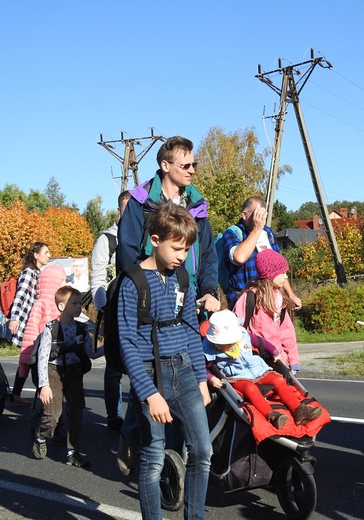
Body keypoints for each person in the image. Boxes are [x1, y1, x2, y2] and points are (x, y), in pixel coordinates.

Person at [117, 203, 211, 519]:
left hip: (183, 369)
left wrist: (201, 378)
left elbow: (189, 330)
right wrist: (150, 394)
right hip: (149, 375)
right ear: (155, 240)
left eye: (186, 249)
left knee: (202, 452)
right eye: (176, 247)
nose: (181, 256)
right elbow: (127, 342)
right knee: (154, 457)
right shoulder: (132, 281)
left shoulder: (181, 278)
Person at [116, 135, 220, 313]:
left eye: (193, 165)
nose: (191, 171)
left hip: (192, 301)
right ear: (165, 166)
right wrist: (148, 291)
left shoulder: (197, 205)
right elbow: (128, 253)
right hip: (151, 300)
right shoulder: (140, 202)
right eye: (185, 166)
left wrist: (210, 292)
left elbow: (208, 254)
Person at [203, 310, 321, 429]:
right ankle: (272, 415)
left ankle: (299, 410)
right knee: (250, 388)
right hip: (236, 376)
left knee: (279, 380)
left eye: (228, 343)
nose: (225, 346)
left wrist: (275, 353)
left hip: (258, 369)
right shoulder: (208, 349)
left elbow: (262, 343)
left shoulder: (244, 335)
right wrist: (211, 378)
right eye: (221, 344)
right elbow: (202, 368)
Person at [32, 286, 103, 468]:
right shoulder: (51, 329)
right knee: (53, 416)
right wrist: (44, 385)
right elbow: (42, 359)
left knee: (76, 413)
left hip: (74, 373)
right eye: (74, 303)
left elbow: (91, 353)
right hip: (53, 372)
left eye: (80, 303)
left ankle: (73, 452)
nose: (79, 306)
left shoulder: (81, 328)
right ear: (62, 307)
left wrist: (110, 347)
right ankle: (41, 436)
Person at [90, 190, 131, 432]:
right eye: (128, 208)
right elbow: (97, 278)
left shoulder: (144, 237)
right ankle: (114, 416)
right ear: (119, 210)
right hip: (114, 309)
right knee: (114, 366)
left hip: (137, 310)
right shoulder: (107, 240)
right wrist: (103, 309)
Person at [222, 196, 301, 310]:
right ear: (245, 215)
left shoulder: (268, 233)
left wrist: (291, 295)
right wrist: (257, 230)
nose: (261, 219)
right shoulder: (232, 233)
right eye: (257, 214)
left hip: (268, 301)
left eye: (263, 214)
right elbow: (239, 258)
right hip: (242, 301)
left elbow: (278, 269)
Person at [233, 249, 300, 372]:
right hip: (254, 361)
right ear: (271, 275)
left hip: (279, 361)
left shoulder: (279, 299)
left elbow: (287, 332)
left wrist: (293, 360)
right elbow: (236, 329)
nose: (286, 277)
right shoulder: (249, 298)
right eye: (283, 273)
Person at [9, 242, 51, 405]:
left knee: (27, 357)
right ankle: (41, 396)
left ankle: (16, 394)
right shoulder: (29, 272)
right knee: (33, 357)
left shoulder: (37, 272)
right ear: (35, 255)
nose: (49, 255)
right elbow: (20, 295)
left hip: (33, 320)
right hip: (27, 321)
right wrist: (15, 318)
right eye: (45, 252)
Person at [19, 265, 67, 386]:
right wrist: (26, 361)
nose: (65, 283)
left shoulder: (62, 304)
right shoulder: (41, 304)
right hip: (44, 355)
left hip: (60, 354)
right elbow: (31, 333)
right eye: (63, 280)